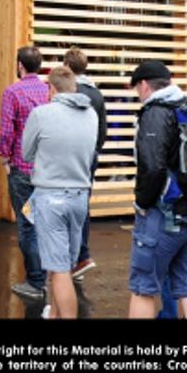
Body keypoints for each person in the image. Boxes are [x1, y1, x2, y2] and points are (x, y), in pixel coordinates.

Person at [128, 60, 187, 320]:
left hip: (165, 215)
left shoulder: (155, 112)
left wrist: (142, 202)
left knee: (143, 289)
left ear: (144, 85)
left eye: (137, 90)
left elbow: (152, 168)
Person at [23, 66, 98, 320]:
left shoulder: (41, 114)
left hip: (50, 195)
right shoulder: (92, 115)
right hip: (80, 195)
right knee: (63, 264)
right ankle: (53, 314)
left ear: (51, 89)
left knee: (59, 268)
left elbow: (26, 154)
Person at [0, 46, 51, 301]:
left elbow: (8, 130)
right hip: (48, 168)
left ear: (20, 65)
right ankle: (50, 277)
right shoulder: (49, 91)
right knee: (45, 223)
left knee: (27, 225)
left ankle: (36, 281)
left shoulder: (12, 91)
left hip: (22, 167)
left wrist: (4, 159)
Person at [64, 48, 106, 280]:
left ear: (68, 67)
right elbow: (103, 131)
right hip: (89, 157)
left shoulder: (69, 91)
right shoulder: (97, 94)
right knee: (82, 205)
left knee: (64, 205)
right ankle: (81, 255)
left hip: (69, 157)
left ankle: (75, 257)